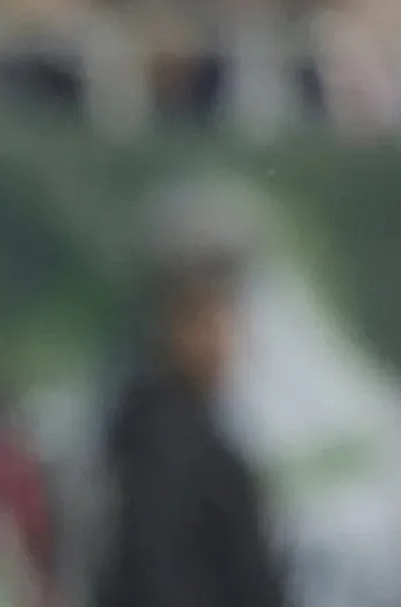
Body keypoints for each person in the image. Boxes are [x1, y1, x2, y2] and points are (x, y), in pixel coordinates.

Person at [96, 250, 284, 607]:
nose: (227, 341)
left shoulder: (171, 430)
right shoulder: (164, 447)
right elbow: (162, 573)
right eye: (214, 321)